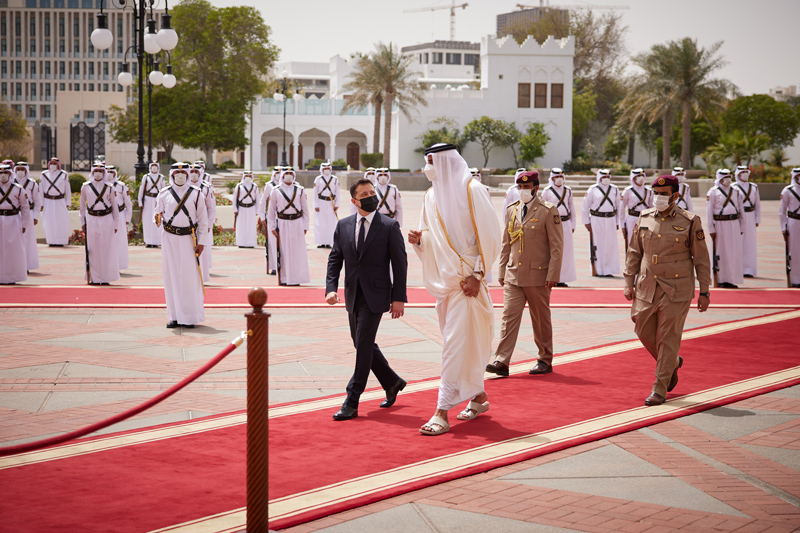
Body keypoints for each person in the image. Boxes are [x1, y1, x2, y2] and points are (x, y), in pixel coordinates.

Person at [408, 144, 501, 436]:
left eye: (433, 161)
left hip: (467, 285)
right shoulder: (431, 195)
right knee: (462, 344)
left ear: (447, 162)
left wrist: (478, 274)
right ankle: (479, 396)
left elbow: (490, 236)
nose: (428, 166)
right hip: (447, 285)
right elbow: (431, 237)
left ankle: (441, 411)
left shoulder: (473, 190)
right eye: (427, 160)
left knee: (454, 346)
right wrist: (419, 241)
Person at [325, 177, 409, 420]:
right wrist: (331, 288)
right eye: (364, 194)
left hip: (377, 295)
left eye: (372, 192)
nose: (371, 196)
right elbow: (335, 259)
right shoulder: (343, 225)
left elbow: (400, 264)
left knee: (362, 345)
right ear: (354, 201)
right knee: (362, 343)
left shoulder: (389, 225)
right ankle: (392, 381)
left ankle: (352, 399)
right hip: (353, 294)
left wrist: (399, 297)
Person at [623, 175, 711, 406]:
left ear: (675, 195)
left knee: (668, 338)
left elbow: (701, 258)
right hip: (646, 286)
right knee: (641, 328)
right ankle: (672, 362)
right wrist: (627, 281)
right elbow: (634, 252)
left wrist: (704, 291)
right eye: (657, 194)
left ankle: (659, 388)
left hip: (676, 288)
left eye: (664, 194)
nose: (659, 198)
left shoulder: (690, 221)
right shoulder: (644, 217)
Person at [486, 170, 563, 378]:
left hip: (538, 276)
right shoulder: (512, 209)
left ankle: (545, 359)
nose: (523, 191)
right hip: (514, 274)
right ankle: (501, 360)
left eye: (526, 188)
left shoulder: (548, 210)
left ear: (536, 188)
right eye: (520, 187)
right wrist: (502, 268)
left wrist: (553, 274)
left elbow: (556, 246)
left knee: (540, 319)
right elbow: (506, 242)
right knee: (509, 317)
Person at [154, 163, 208, 328]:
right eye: (176, 172)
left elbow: (203, 220)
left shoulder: (197, 194)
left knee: (188, 278)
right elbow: (156, 216)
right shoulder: (163, 194)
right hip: (169, 238)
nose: (180, 175)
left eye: (182, 172)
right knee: (171, 277)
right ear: (171, 174)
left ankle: (190, 317)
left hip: (188, 239)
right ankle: (174, 316)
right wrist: (157, 217)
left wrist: (202, 242)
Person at [267, 167, 310, 286]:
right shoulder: (275, 190)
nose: (289, 175)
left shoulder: (300, 190)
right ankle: (285, 278)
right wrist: (272, 227)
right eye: (287, 173)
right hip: (282, 223)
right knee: (283, 252)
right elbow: (271, 212)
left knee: (297, 252)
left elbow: (305, 210)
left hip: (297, 223)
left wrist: (305, 226)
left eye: (291, 173)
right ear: (282, 175)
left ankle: (297, 278)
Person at [80, 164, 119, 285]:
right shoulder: (85, 187)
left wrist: (116, 223)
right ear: (92, 172)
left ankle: (105, 277)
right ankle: (95, 278)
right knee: (93, 249)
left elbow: (114, 206)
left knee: (106, 248)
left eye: (100, 171)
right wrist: (83, 222)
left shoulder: (110, 187)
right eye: (96, 171)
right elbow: (82, 207)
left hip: (106, 218)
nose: (98, 173)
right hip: (91, 219)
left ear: (104, 172)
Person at [706, 169, 744, 288]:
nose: (727, 179)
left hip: (733, 224)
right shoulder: (713, 192)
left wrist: (741, 226)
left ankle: (731, 279)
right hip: (720, 224)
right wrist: (711, 229)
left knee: (734, 252)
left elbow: (741, 209)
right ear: (719, 178)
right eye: (724, 177)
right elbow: (709, 212)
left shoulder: (736, 191)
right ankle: (721, 279)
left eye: (729, 177)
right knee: (721, 252)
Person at [582, 169, 621, 277]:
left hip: (610, 219)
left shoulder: (615, 189)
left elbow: (619, 207)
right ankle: (598, 270)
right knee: (597, 244)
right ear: (599, 178)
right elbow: (585, 207)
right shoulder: (593, 190)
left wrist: (618, 222)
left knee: (610, 245)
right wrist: (586, 222)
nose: (606, 179)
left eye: (608, 177)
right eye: (604, 177)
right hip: (596, 219)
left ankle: (609, 270)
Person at [541, 168, 576, 287]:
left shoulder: (568, 191)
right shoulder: (547, 191)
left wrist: (573, 224)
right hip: (551, 223)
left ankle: (562, 278)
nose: (559, 179)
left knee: (565, 251)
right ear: (552, 178)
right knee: (552, 250)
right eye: (557, 177)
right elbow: (542, 209)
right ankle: (552, 277)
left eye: (561, 176)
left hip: (565, 222)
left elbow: (572, 208)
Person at [0, 164, 30, 284]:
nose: (3, 176)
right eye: (0, 173)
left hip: (13, 220)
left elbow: (25, 208)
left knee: (13, 250)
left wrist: (24, 225)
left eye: (5, 173)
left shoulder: (18, 188)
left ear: (10, 174)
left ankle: (12, 277)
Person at [189, 163, 216, 283]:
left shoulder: (206, 187)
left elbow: (211, 208)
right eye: (192, 171)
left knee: (203, 251)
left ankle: (203, 277)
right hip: (188, 224)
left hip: (203, 224)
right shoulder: (185, 186)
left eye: (196, 171)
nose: (194, 173)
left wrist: (209, 225)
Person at [733, 166, 760, 278]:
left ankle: (749, 269)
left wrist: (757, 219)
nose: (745, 174)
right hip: (739, 216)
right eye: (742, 172)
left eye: (746, 172)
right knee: (738, 242)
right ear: (738, 174)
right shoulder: (733, 187)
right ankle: (738, 268)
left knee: (750, 243)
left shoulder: (754, 187)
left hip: (750, 215)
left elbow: (757, 204)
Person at [39, 157, 71, 246]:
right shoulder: (44, 174)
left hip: (60, 201)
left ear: (58, 165)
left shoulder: (64, 175)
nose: (53, 165)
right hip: (47, 201)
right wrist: (41, 203)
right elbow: (41, 189)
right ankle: (51, 241)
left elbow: (68, 189)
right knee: (48, 221)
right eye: (51, 163)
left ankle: (60, 241)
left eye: (55, 164)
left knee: (61, 221)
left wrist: (67, 202)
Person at [15, 162, 39, 271]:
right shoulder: (11, 183)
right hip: (14, 214)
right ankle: (15, 264)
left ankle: (26, 265)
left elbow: (37, 201)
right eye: (18, 169)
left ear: (26, 170)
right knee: (14, 240)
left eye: (22, 169)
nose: (20, 171)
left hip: (28, 214)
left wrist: (36, 217)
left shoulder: (32, 183)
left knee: (27, 240)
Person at [107, 165, 132, 271]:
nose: (109, 174)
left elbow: (128, 204)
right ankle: (107, 265)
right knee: (107, 241)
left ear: (115, 173)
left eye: (111, 172)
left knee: (119, 241)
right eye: (107, 171)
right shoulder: (102, 186)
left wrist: (127, 219)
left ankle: (119, 265)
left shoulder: (121, 186)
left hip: (120, 215)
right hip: (106, 215)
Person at [621, 168, 653, 250]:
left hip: (645, 218)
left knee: (645, 242)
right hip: (632, 218)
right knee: (632, 242)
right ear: (634, 178)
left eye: (642, 175)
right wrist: (622, 225)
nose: (641, 177)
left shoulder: (648, 191)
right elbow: (621, 209)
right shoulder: (628, 191)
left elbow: (652, 207)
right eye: (638, 176)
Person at [259, 167, 281, 274]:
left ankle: (283, 265)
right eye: (277, 173)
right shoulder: (269, 185)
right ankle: (274, 266)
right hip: (272, 218)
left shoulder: (288, 186)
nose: (279, 175)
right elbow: (262, 202)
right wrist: (263, 217)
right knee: (272, 243)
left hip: (284, 218)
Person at [780, 168, 800, 288]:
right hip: (793, 221)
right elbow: (782, 211)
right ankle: (795, 279)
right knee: (794, 251)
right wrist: (783, 227)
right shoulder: (788, 190)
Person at [313, 161, 339, 248]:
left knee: (330, 223)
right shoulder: (318, 179)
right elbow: (315, 193)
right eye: (325, 168)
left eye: (328, 168)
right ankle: (321, 242)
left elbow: (337, 192)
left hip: (331, 203)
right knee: (320, 222)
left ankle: (329, 242)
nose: (326, 170)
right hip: (321, 202)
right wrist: (316, 205)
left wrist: (337, 204)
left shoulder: (334, 179)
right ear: (322, 169)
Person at [139, 162, 164, 248]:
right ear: (150, 167)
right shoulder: (146, 177)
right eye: (152, 166)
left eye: (155, 166)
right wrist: (140, 202)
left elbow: (163, 190)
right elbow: (141, 190)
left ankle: (157, 241)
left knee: (157, 219)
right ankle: (148, 241)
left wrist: (163, 202)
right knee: (147, 220)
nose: (154, 168)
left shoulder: (161, 177)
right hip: (147, 200)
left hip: (157, 200)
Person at [233, 171, 259, 248]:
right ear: (243, 177)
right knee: (241, 226)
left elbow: (258, 199)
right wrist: (235, 209)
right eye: (246, 175)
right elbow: (234, 198)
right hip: (241, 208)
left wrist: (257, 210)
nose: (248, 177)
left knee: (251, 226)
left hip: (251, 208)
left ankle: (251, 243)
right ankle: (241, 243)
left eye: (249, 175)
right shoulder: (239, 186)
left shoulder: (255, 186)